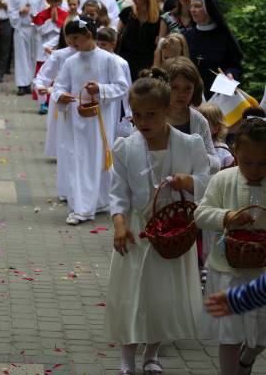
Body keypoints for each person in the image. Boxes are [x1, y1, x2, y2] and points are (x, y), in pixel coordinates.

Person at [105, 68, 210, 375]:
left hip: (174, 228)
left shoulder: (190, 144)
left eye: (151, 114)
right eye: (137, 115)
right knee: (132, 294)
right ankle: (127, 356)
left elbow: (206, 179)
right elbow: (118, 193)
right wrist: (120, 224)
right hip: (138, 229)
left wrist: (188, 180)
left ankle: (153, 353)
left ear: (167, 111)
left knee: (164, 295)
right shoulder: (125, 147)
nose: (143, 122)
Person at [194, 111, 266, 375]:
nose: (255, 170)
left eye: (263, 163)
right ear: (235, 153)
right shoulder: (223, 179)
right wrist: (228, 216)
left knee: (260, 333)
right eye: (248, 162)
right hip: (228, 271)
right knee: (230, 334)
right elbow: (200, 214)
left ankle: (249, 357)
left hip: (262, 273)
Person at [51, 17, 129, 225]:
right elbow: (58, 86)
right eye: (69, 39)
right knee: (79, 161)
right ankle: (82, 208)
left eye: (76, 38)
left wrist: (101, 89)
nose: (73, 43)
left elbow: (122, 87)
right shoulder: (70, 61)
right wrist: (61, 96)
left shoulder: (109, 60)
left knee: (99, 161)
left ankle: (100, 202)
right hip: (75, 122)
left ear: (88, 35)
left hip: (100, 121)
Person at [184, 0, 243, 99]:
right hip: (189, 95)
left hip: (218, 97)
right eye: (191, 6)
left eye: (197, 6)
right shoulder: (186, 36)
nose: (192, 10)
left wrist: (231, 74)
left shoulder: (224, 37)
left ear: (208, 8)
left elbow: (235, 65)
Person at [32, 35, 76, 158]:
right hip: (62, 97)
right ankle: (61, 152)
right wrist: (41, 87)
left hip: (84, 100)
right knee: (61, 128)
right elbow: (43, 76)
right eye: (73, 37)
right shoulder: (60, 55)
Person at [8, 0, 47, 96]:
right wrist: (20, 12)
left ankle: (31, 83)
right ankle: (21, 84)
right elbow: (11, 12)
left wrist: (34, 16)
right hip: (21, 29)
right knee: (21, 57)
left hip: (34, 30)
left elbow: (43, 13)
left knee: (33, 57)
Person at [32, 0, 68, 113]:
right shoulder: (41, 14)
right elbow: (39, 31)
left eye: (56, 1)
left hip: (58, 48)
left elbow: (65, 32)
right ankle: (42, 103)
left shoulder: (65, 14)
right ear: (47, 0)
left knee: (57, 76)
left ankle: (55, 100)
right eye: (51, 1)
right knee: (42, 76)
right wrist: (51, 21)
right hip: (43, 48)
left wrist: (56, 21)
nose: (54, 4)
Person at [117, 0, 160, 81]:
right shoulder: (127, 12)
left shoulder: (158, 18)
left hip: (146, 63)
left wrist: (155, 67)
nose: (133, 0)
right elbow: (117, 34)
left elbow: (158, 45)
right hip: (125, 60)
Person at [198, 103, 235, 169]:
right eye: (196, 123)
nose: (198, 127)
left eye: (203, 124)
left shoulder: (222, 149)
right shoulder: (192, 146)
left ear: (216, 128)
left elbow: (231, 167)